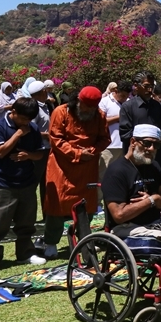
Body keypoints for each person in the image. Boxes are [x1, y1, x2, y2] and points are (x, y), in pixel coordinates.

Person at [42, 85, 110, 258]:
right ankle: (50, 242)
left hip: (87, 166)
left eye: (92, 108)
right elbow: (55, 138)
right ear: (78, 101)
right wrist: (78, 153)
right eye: (86, 106)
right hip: (62, 165)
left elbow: (105, 138)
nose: (89, 110)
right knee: (57, 203)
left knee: (86, 204)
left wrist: (92, 151)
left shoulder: (99, 115)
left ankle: (85, 240)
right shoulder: (60, 112)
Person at [0, 97, 47, 273]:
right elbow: (0, 152)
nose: (26, 123)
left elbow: (39, 154)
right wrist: (17, 134)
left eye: (29, 120)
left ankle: (25, 253)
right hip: (3, 182)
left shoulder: (32, 128)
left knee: (26, 222)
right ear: (14, 112)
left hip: (26, 182)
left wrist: (28, 156)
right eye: (23, 119)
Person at [102, 124, 161, 234]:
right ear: (133, 142)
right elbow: (119, 215)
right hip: (126, 227)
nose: (152, 148)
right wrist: (151, 201)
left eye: (156, 145)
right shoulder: (116, 171)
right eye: (147, 143)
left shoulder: (154, 167)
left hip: (155, 224)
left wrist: (157, 199)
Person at [119, 71, 161, 168]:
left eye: (152, 86)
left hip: (156, 158)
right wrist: (145, 141)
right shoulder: (128, 107)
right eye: (146, 86)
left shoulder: (159, 107)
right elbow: (125, 133)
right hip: (135, 159)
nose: (150, 90)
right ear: (136, 86)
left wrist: (159, 139)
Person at [98, 81, 130, 188]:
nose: (125, 98)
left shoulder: (128, 102)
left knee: (119, 176)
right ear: (116, 91)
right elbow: (100, 122)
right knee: (103, 175)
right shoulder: (104, 102)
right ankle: (99, 203)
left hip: (124, 145)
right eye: (123, 95)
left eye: (127, 96)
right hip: (108, 147)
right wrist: (118, 118)